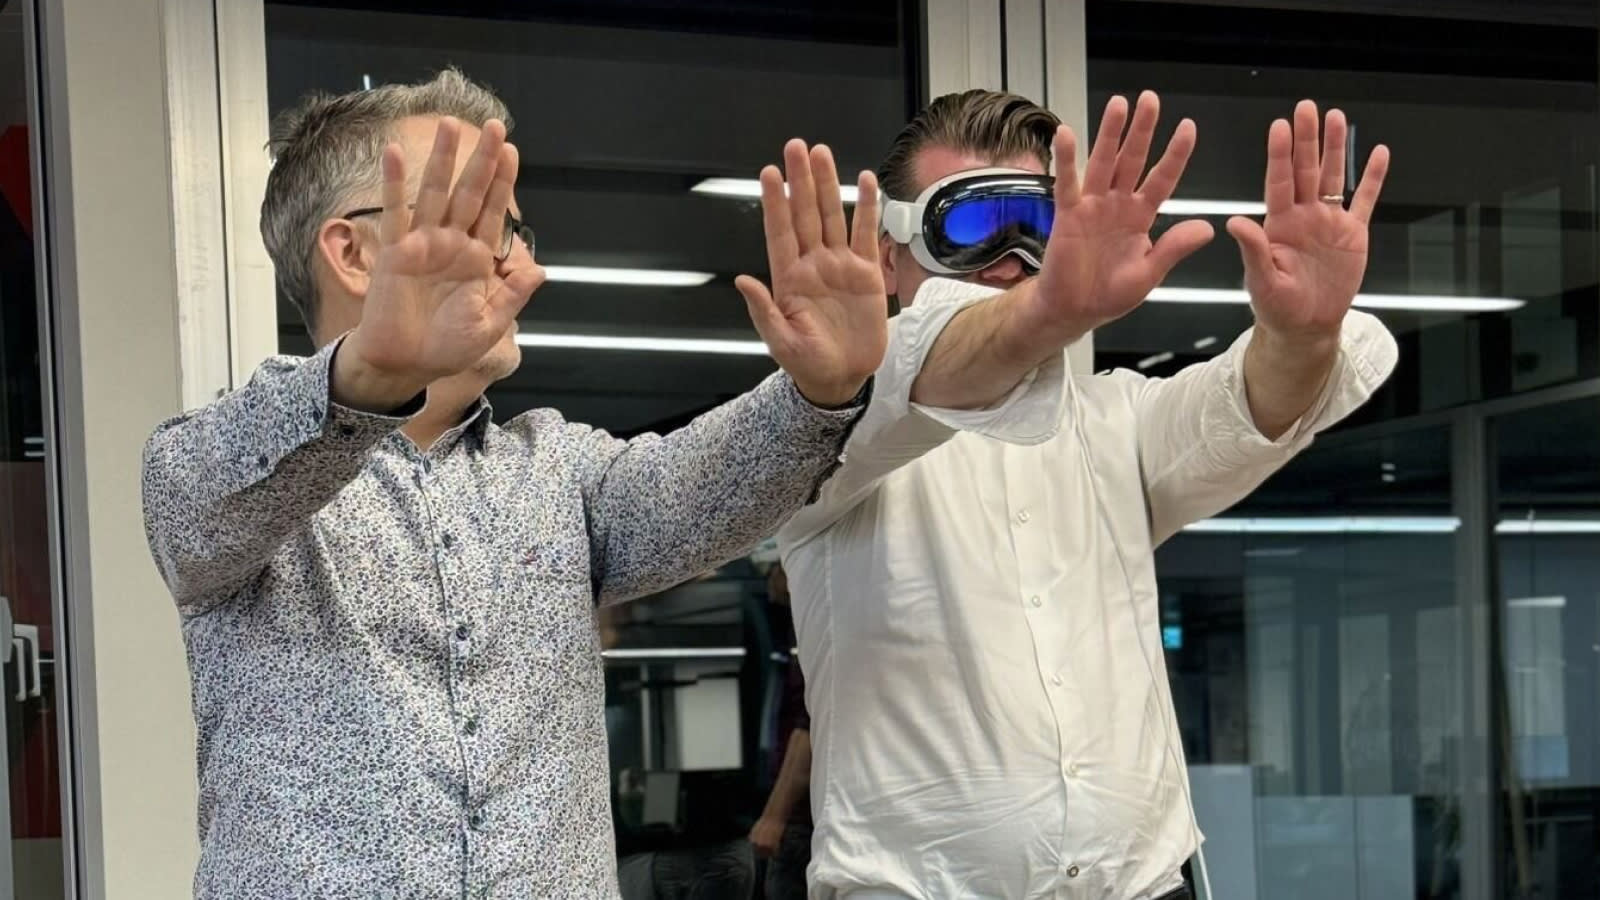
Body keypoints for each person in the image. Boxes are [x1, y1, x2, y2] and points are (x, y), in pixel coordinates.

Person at [140, 69, 891, 898]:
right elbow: (192, 511)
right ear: (351, 254)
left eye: (513, 227)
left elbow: (702, 488)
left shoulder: (555, 471)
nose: (519, 261)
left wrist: (819, 392)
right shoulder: (230, 470)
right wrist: (371, 374)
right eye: (475, 224)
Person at [767, 89, 1399, 899]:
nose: (1008, 260)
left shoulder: (1115, 421)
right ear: (890, 253)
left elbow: (1247, 409)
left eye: (1038, 229)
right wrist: (1053, 306)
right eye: (964, 227)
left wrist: (1302, 336)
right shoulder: (827, 430)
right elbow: (931, 362)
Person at [749, 563, 812, 900]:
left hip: (800, 820)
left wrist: (775, 816)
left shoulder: (811, 626)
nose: (770, 579)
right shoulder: (787, 626)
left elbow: (810, 726)